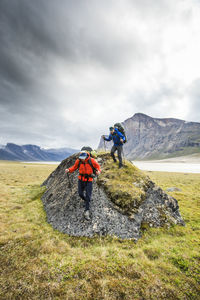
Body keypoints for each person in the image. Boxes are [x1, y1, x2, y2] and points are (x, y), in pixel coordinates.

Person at [65, 151, 101, 220]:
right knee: (80, 193)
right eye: (81, 158)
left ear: (86, 157)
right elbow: (74, 167)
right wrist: (69, 170)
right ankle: (86, 200)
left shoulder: (91, 160)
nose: (81, 159)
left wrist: (98, 171)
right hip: (81, 180)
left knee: (88, 195)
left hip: (89, 180)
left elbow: (97, 166)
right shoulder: (78, 161)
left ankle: (87, 211)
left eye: (83, 158)